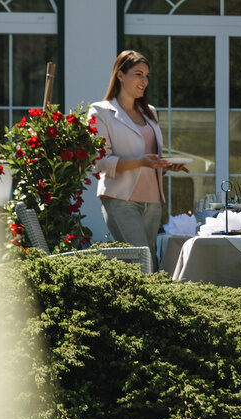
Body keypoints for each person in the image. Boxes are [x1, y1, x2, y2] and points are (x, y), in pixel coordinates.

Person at [89, 49, 188, 271]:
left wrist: (166, 166)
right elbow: (100, 161)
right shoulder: (100, 112)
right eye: (138, 74)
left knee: (147, 262)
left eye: (146, 76)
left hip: (152, 201)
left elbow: (151, 160)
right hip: (120, 199)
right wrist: (141, 161)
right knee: (142, 263)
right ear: (120, 75)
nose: (144, 81)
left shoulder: (150, 112)